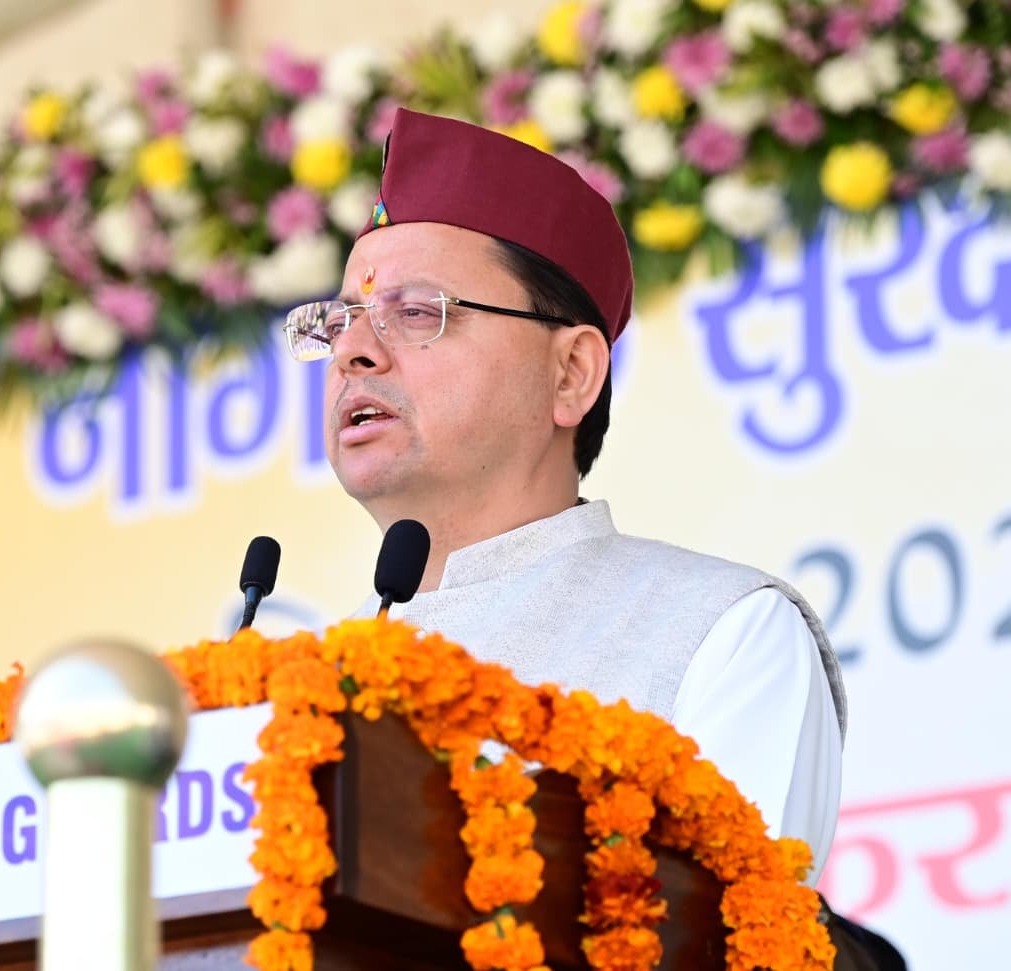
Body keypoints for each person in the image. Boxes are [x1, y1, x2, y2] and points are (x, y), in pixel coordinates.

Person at [281, 108, 846, 881]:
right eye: (340, 321)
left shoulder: (720, 632)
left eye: (414, 312)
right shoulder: (299, 685)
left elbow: (737, 930)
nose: (352, 352)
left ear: (572, 373)